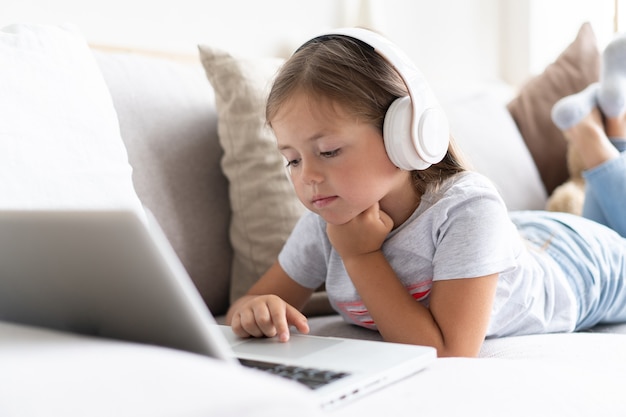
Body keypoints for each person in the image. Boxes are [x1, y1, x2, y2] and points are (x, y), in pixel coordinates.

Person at [226, 28, 626, 357]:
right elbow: (244, 307)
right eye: (293, 160)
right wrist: (256, 311)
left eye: (328, 151)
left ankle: (602, 133)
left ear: (405, 133)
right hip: (528, 237)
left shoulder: (468, 208)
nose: (307, 176)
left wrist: (361, 256)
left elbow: (448, 352)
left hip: (583, 266)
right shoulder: (326, 221)